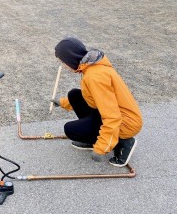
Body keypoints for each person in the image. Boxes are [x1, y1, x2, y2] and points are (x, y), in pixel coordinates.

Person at [52, 37, 142, 167]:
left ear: (70, 58)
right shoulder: (91, 67)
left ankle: (123, 143)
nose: (63, 66)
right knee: (74, 95)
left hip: (125, 123)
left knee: (70, 129)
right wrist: (63, 103)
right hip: (119, 115)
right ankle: (93, 138)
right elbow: (91, 97)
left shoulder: (94, 77)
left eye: (62, 61)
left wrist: (101, 148)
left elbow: (112, 116)